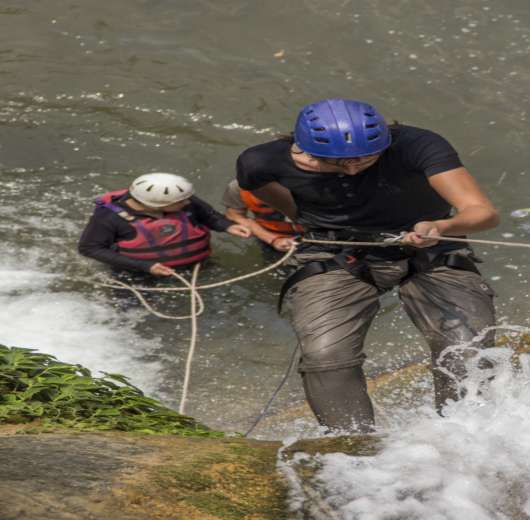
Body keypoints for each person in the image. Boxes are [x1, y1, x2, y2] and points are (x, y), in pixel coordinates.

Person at [236, 98, 500, 432]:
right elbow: (292, 210)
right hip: (335, 250)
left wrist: (441, 227)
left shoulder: (418, 145)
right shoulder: (260, 162)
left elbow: (482, 212)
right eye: (335, 163)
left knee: (467, 348)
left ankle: (466, 435)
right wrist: (320, 224)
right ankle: (354, 447)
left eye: (366, 158)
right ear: (302, 149)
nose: (352, 169)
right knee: (325, 356)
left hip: (429, 242)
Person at [77, 172, 252, 279]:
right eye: (180, 202)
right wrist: (145, 267)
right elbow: (89, 248)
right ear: (156, 205)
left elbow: (210, 216)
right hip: (137, 272)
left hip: (196, 265)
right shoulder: (109, 218)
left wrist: (228, 226)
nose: (187, 204)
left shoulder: (183, 200)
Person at [220, 179, 306, 262]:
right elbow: (235, 215)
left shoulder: (308, 179)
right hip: (274, 238)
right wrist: (273, 240)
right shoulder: (239, 187)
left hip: (313, 233)